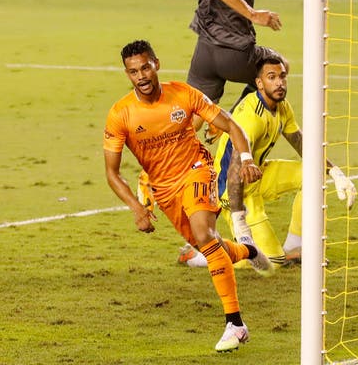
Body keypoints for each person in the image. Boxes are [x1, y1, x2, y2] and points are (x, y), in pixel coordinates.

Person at [103, 39, 274, 353]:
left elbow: (232, 125)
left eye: (145, 67)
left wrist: (247, 159)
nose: (140, 75)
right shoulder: (120, 114)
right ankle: (247, 251)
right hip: (165, 190)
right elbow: (112, 173)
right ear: (127, 74)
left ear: (157, 64)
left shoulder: (184, 95)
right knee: (210, 247)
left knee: (203, 234)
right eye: (133, 71)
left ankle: (235, 324)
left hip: (198, 169)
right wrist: (136, 208)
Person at [172, 54, 358, 269]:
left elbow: (300, 142)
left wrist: (334, 172)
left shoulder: (282, 106)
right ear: (259, 83)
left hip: (258, 174)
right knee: (269, 263)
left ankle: (294, 247)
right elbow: (234, 170)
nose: (279, 82)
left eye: (282, 76)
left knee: (313, 175)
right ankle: (199, 255)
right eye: (272, 77)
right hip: (232, 191)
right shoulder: (250, 118)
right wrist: (239, 218)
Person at [188, 0, 299, 143]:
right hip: (235, 52)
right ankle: (228, 120)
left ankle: (158, 168)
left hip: (204, 50)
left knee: (192, 117)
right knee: (279, 66)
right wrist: (253, 14)